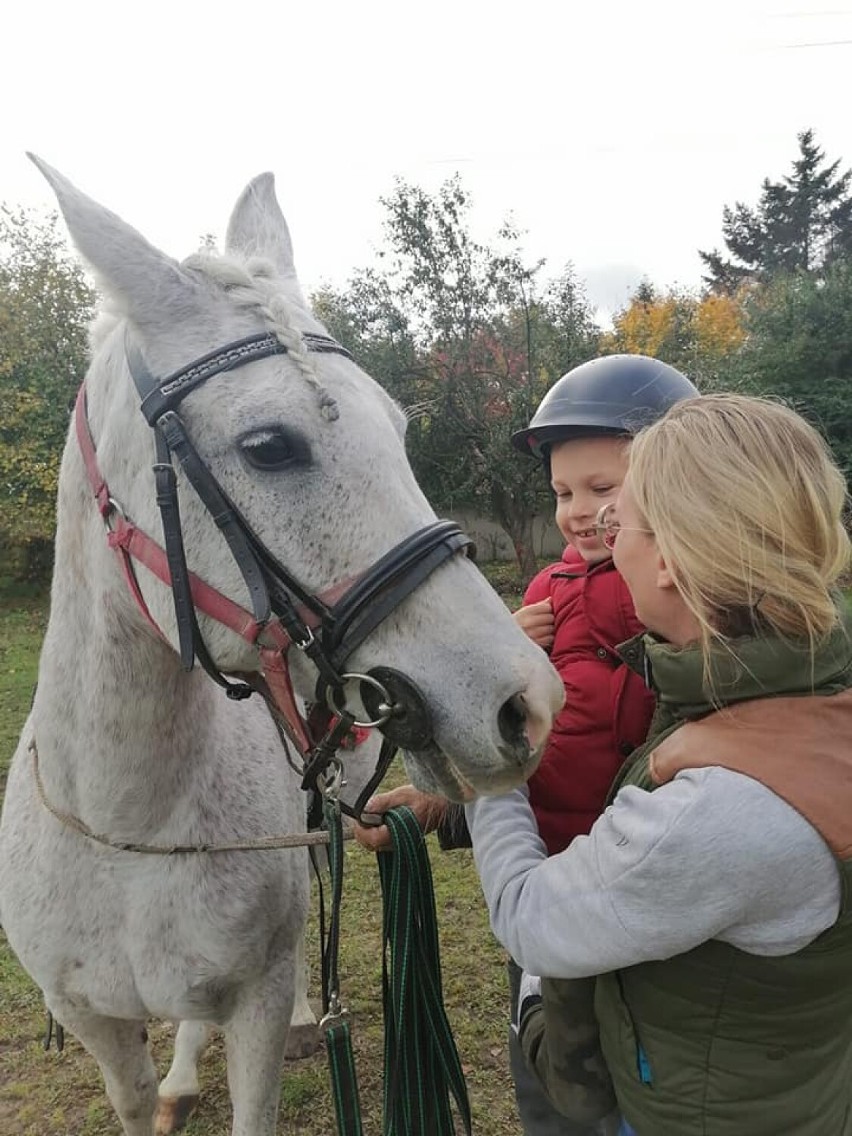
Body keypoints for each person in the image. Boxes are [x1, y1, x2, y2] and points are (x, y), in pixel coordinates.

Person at [465, 393, 852, 1136]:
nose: (598, 533)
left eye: (618, 521)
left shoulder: (720, 810)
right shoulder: (780, 696)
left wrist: (490, 762)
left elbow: (527, 914)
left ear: (670, 558)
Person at [356, 355, 699, 1136]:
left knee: (631, 1077)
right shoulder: (546, 589)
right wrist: (444, 803)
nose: (579, 512)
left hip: (628, 888)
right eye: (563, 493)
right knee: (547, 1074)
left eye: (604, 491)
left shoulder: (678, 597)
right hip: (544, 872)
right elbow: (532, 744)